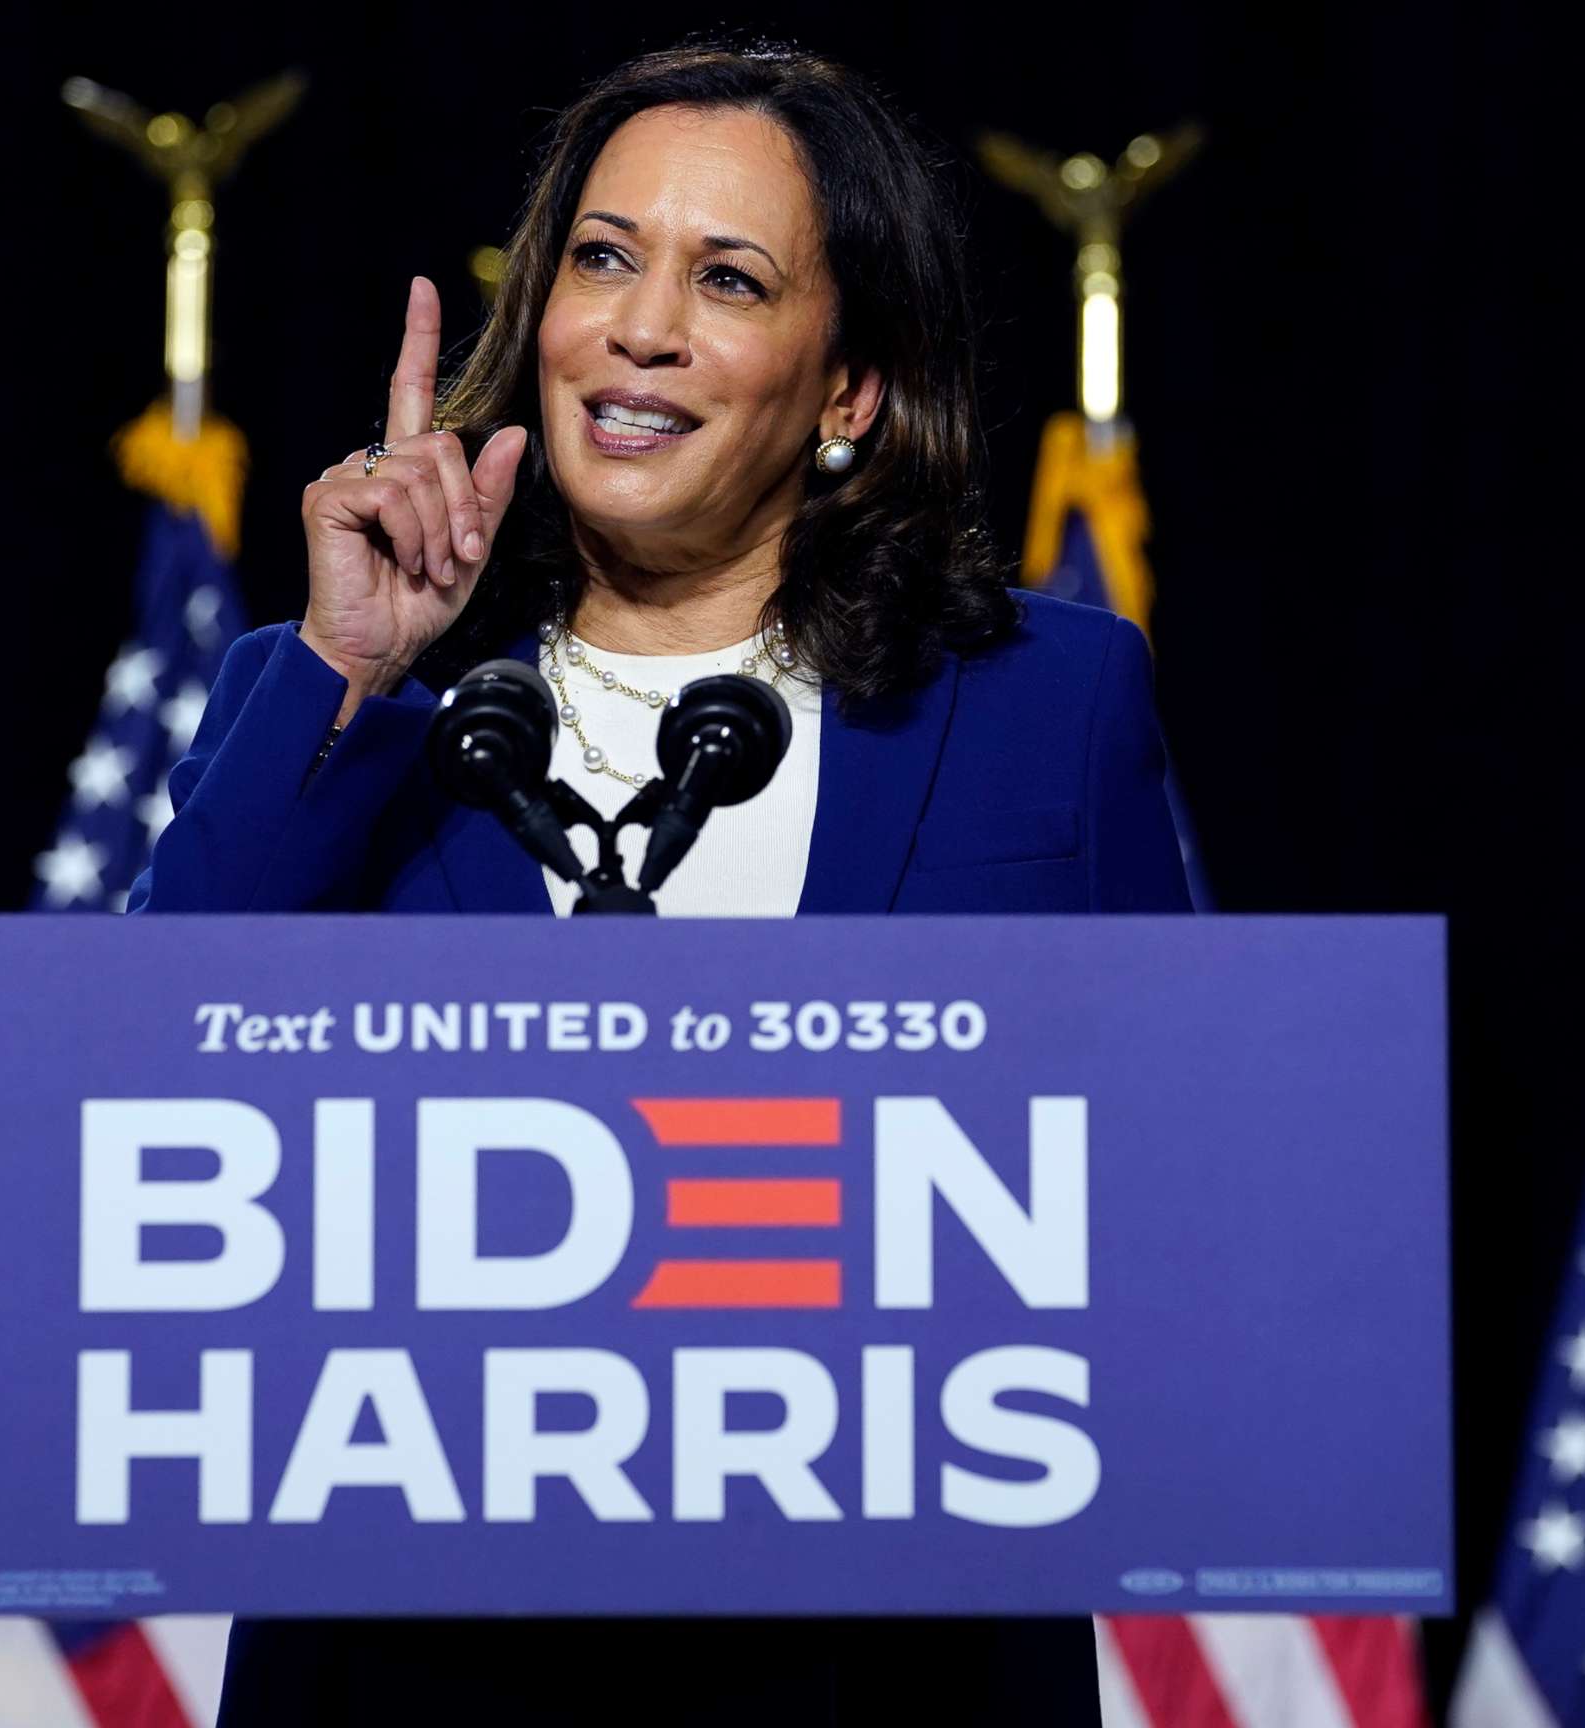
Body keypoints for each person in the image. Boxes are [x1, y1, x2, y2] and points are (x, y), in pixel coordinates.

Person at [133, 37, 1188, 1727]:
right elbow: (129, 1106)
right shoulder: (347, 697)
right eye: (605, 257)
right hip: (420, 1671)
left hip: (885, 1673)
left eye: (732, 279)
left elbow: (1173, 1189)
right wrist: (355, 660)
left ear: (848, 388)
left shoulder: (1042, 707)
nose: (642, 326)